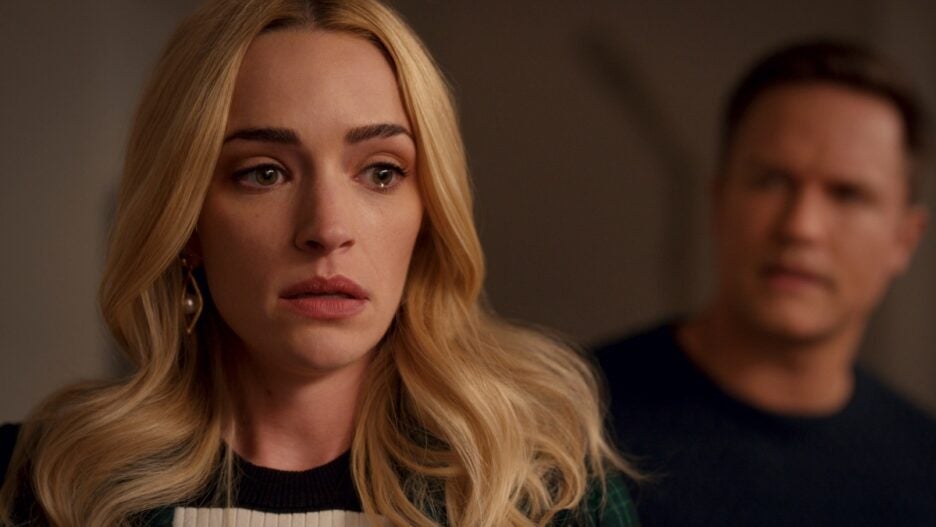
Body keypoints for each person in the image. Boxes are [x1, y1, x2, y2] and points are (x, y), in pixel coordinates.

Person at [0, 1, 638, 525]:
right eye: (264, 173)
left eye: (381, 172)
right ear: (186, 221)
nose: (328, 230)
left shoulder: (547, 493)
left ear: (429, 216)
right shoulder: (43, 487)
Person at [596, 40, 936, 526]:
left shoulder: (924, 473)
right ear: (719, 202)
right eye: (771, 180)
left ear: (904, 239)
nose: (801, 226)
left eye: (847, 194)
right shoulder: (570, 423)